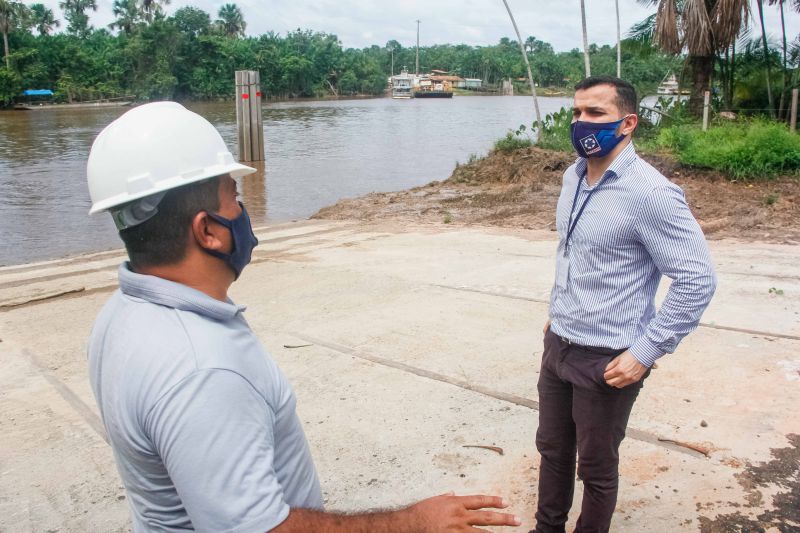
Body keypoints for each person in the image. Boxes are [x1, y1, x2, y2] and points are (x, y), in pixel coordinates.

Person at [86, 102, 521, 532]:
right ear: (209, 231)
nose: (242, 210)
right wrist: (411, 522)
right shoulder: (203, 369)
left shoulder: (121, 317)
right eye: (233, 198)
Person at [533, 77, 717, 533]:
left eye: (595, 113)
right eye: (577, 113)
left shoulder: (650, 192)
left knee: (595, 469)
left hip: (608, 359)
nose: (581, 123)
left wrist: (645, 352)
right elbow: (574, 254)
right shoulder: (572, 175)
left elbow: (697, 279)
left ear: (628, 123)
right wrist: (559, 313)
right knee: (553, 451)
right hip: (559, 346)